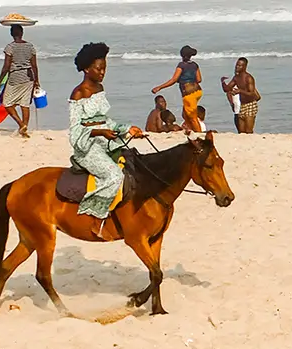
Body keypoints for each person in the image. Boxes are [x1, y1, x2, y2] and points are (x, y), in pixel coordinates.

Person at [69, 42, 144, 234]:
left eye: (104, 68)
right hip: (87, 147)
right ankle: (95, 217)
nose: (103, 72)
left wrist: (127, 129)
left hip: (105, 140)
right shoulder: (78, 94)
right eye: (99, 68)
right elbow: (75, 131)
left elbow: (105, 121)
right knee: (114, 175)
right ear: (86, 69)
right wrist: (99, 133)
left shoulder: (100, 88)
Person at [0, 24, 40, 138]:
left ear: (11, 34)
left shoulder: (10, 47)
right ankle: (24, 127)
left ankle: (21, 125)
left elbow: (6, 67)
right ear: (22, 33)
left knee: (7, 103)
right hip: (28, 77)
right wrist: (37, 80)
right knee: (25, 104)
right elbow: (34, 66)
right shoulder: (30, 46)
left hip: (15, 78)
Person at [151, 45, 203, 131]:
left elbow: (174, 79)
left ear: (182, 55)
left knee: (192, 117)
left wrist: (159, 87)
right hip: (198, 91)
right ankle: (190, 130)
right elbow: (199, 79)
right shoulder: (195, 65)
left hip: (189, 94)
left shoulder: (181, 65)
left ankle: (199, 134)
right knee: (185, 115)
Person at [222, 57, 261, 133]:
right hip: (242, 105)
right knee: (241, 131)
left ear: (245, 67)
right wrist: (223, 82)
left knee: (248, 130)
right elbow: (227, 89)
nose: (237, 67)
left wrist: (240, 91)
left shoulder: (248, 78)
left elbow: (252, 94)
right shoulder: (236, 78)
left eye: (240, 65)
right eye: (237, 65)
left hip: (250, 104)